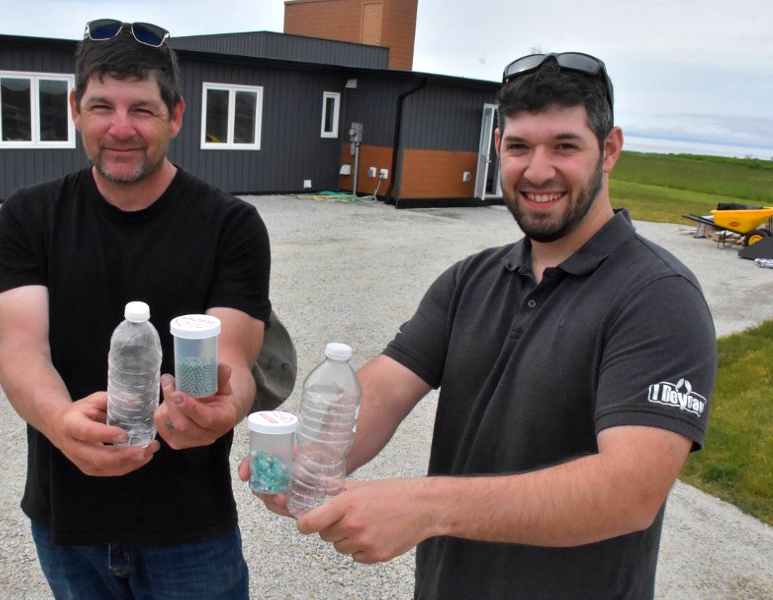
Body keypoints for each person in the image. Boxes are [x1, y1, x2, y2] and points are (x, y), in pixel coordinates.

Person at [242, 52, 716, 598]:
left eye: (564, 146)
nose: (538, 171)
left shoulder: (658, 298)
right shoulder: (471, 280)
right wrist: (309, 464)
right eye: (519, 147)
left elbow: (629, 492)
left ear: (608, 150)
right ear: (498, 149)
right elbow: (383, 390)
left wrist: (426, 508)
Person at [0, 19, 271, 599]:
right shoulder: (28, 217)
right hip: (67, 520)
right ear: (74, 110)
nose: (121, 129)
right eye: (101, 107)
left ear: (176, 115)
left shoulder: (230, 225)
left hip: (190, 526)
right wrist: (61, 424)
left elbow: (234, 359)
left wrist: (224, 406)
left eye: (142, 109)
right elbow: (19, 350)